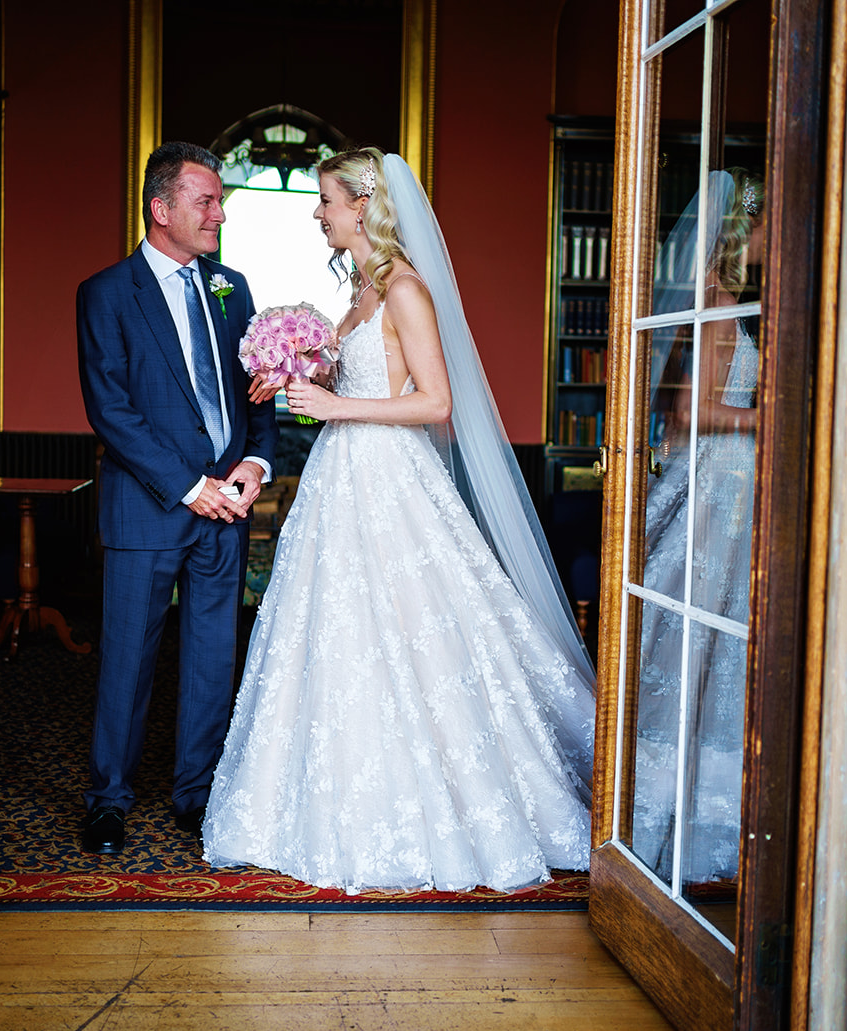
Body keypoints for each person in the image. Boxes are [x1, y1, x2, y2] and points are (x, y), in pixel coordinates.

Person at [202, 148, 595, 893]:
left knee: (415, 633)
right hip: (341, 481)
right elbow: (359, 373)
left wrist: (337, 406)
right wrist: (301, 375)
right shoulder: (360, 290)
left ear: (361, 207)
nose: (317, 213)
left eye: (325, 200)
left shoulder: (407, 289)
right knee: (336, 634)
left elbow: (437, 404)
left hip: (390, 482)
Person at [77, 141, 279, 855]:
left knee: (211, 657)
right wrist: (191, 487)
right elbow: (113, 411)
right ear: (161, 209)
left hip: (227, 507)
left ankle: (197, 791)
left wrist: (254, 463)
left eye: (219, 200)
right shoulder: (106, 293)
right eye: (207, 200)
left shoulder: (234, 288)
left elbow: (259, 394)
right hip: (150, 508)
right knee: (127, 658)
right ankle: (109, 798)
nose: (219, 213)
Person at [631, 168, 763, 888]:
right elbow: (690, 413)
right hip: (716, 485)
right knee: (696, 634)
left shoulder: (729, 307)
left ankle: (701, 809)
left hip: (731, 491)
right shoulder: (716, 312)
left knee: (717, 638)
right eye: (764, 226)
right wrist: (764, 414)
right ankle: (663, 809)